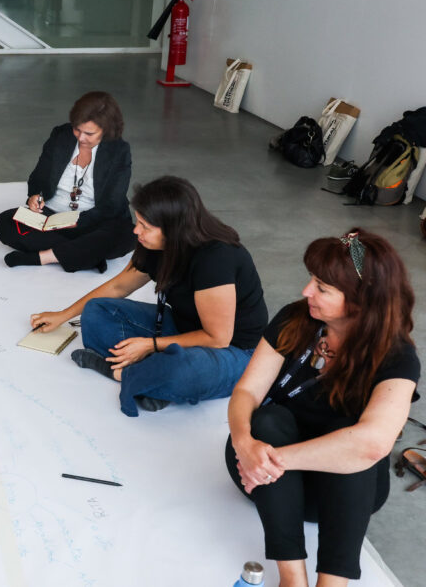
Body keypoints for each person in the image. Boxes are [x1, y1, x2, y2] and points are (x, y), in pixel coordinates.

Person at [225, 229, 418, 587]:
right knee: (267, 418)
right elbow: (247, 392)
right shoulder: (295, 319)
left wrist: (273, 458)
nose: (306, 292)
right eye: (312, 280)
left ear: (362, 299)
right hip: (266, 478)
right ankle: (292, 578)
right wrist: (244, 443)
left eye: (322, 287)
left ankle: (332, 583)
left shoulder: (397, 357)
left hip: (337, 487)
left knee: (351, 441)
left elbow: (372, 444)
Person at [31, 176, 267, 416]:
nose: (136, 231)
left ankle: (124, 372)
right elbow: (118, 287)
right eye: (138, 221)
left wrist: (150, 345)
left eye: (145, 226)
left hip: (235, 351)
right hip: (182, 328)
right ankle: (152, 379)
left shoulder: (215, 258)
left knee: (183, 370)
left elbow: (218, 338)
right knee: (96, 312)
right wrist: (62, 316)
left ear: (173, 229)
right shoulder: (156, 245)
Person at [0, 91, 135, 272]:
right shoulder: (61, 135)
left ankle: (45, 257)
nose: (81, 137)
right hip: (51, 217)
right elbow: (38, 177)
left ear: (106, 130)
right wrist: (35, 196)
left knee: (126, 235)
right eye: (77, 129)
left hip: (93, 220)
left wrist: (79, 221)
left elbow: (112, 204)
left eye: (89, 133)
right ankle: (87, 254)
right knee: (5, 222)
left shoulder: (118, 150)